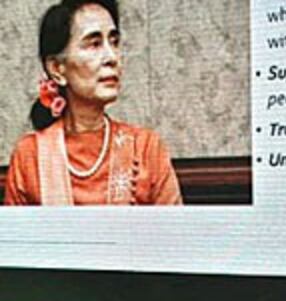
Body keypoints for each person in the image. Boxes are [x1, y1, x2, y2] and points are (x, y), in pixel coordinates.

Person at [4, 0, 182, 206]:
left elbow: (176, 236)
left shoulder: (146, 148)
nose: (112, 57)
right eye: (94, 44)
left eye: (114, 42)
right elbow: (15, 238)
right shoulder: (30, 155)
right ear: (57, 68)